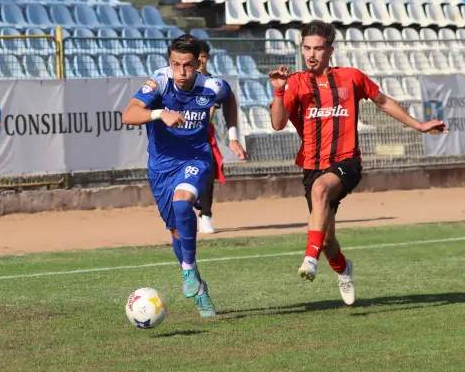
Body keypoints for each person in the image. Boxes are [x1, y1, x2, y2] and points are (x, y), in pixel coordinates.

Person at [269, 20, 447, 306]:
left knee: (320, 190)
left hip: (346, 161)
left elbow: (384, 101)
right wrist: (278, 91)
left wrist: (419, 125)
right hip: (312, 165)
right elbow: (277, 124)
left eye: (318, 48)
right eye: (306, 48)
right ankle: (342, 269)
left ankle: (309, 258)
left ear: (330, 50)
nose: (311, 54)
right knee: (327, 239)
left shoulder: (351, 77)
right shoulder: (295, 84)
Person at [122, 34, 248, 317]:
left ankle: (189, 270)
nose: (181, 71)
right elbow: (128, 114)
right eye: (176, 64)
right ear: (170, 62)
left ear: (199, 62)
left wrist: (233, 136)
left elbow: (230, 100)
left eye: (188, 65)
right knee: (177, 232)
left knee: (183, 203)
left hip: (196, 158)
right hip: (161, 167)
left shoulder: (212, 86)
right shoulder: (160, 82)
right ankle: (200, 289)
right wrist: (159, 114)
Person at [196, 40, 224, 234]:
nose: (200, 60)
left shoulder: (213, 83)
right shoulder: (180, 81)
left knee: (208, 175)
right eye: (196, 56)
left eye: (203, 55)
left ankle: (206, 215)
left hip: (203, 136)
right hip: (181, 136)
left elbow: (211, 109)